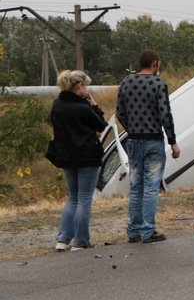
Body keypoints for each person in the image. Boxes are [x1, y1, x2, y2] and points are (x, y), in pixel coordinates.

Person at [116, 50, 180, 244]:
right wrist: (172, 141)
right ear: (154, 64)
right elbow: (164, 114)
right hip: (153, 140)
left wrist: (132, 128)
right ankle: (148, 230)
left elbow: (120, 112)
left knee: (136, 188)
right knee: (151, 187)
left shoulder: (126, 82)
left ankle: (133, 231)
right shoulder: (158, 83)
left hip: (134, 140)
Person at [48, 70, 107, 251]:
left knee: (72, 198)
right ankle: (80, 241)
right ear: (79, 86)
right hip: (87, 156)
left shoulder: (57, 105)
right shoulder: (82, 107)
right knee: (84, 200)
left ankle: (63, 238)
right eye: (86, 85)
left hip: (66, 157)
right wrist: (93, 103)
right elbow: (101, 125)